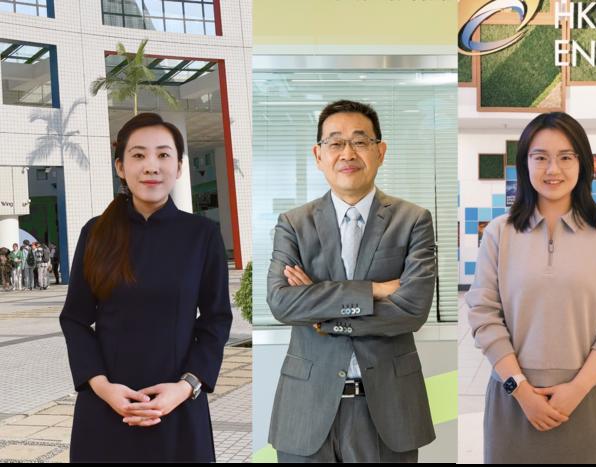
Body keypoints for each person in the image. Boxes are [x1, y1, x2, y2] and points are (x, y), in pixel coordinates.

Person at [467, 112, 596, 464]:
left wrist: (577, 389)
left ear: (583, 163)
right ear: (525, 164)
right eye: (540, 157)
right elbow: (484, 316)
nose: (553, 169)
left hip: (588, 398)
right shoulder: (499, 233)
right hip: (513, 398)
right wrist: (521, 391)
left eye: (566, 157)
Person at [267, 100, 436, 463]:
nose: (348, 153)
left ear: (380, 151)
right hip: (306, 410)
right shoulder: (294, 224)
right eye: (335, 142)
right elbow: (281, 302)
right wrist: (373, 290)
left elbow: (412, 310)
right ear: (318, 154)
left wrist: (321, 314)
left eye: (360, 142)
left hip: (388, 411)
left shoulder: (413, 220)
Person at [59, 113, 233, 462]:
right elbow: (75, 319)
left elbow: (216, 320)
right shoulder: (96, 233)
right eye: (139, 155)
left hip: (178, 409)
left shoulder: (202, 235)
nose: (151, 165)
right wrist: (103, 388)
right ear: (120, 167)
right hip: (106, 410)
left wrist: (186, 386)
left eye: (163, 155)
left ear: (180, 166)